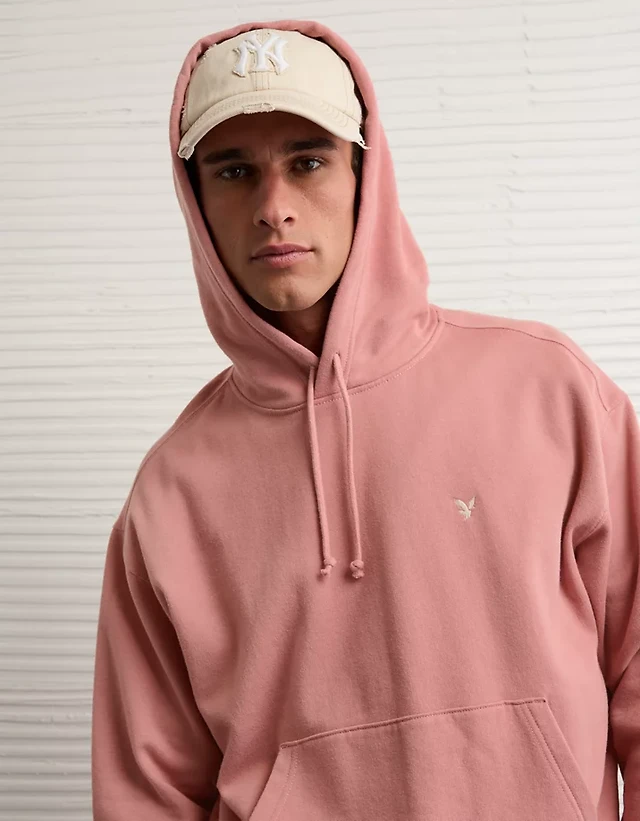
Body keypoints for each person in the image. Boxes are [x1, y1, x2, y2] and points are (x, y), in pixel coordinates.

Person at [91, 19, 640, 821]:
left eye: (307, 161)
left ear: (364, 172)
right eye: (234, 171)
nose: (273, 208)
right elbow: (147, 791)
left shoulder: (548, 390)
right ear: (196, 200)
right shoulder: (172, 488)